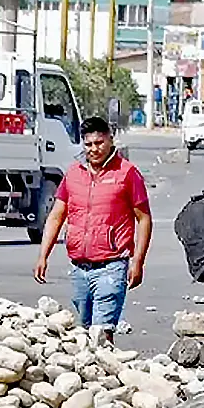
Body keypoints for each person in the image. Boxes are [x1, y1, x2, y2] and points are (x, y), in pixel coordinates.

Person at [34, 117, 152, 346]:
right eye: (88, 145)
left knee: (102, 332)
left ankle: (105, 378)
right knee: (85, 331)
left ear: (110, 140)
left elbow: (144, 218)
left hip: (112, 266)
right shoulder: (74, 173)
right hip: (79, 267)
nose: (94, 149)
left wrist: (138, 261)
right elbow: (57, 215)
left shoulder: (127, 174)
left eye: (99, 143)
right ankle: (95, 378)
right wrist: (43, 255)